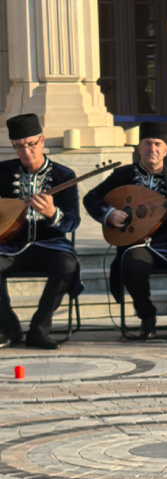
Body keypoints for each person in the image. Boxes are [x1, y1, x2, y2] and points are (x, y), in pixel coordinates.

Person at [84, 122, 167, 339]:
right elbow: (91, 197)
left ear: (166, 150)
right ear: (139, 148)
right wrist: (109, 213)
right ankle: (146, 315)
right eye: (147, 143)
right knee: (132, 266)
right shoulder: (122, 176)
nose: (152, 149)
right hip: (135, 242)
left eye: (158, 144)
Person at [0, 113, 81, 349]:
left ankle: (39, 329)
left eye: (31, 144)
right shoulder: (2, 172)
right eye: (19, 146)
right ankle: (9, 328)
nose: (26, 152)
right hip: (11, 246)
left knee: (67, 265)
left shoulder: (64, 176)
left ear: (42, 141)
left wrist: (52, 213)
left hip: (51, 246)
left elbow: (72, 223)